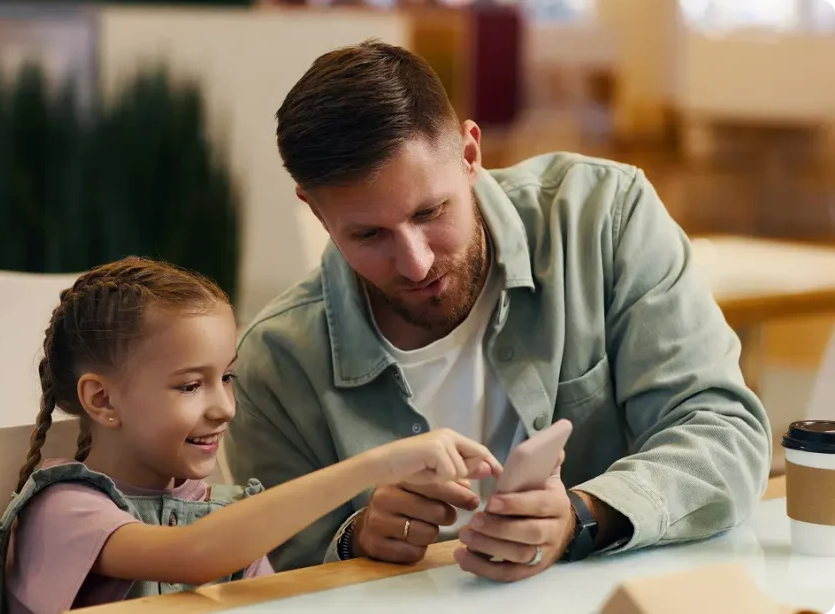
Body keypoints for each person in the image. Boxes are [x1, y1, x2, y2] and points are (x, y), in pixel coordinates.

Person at [224, 39, 772, 582]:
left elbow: (724, 432)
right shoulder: (273, 364)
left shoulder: (604, 219)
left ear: (469, 155)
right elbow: (270, 567)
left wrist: (584, 516)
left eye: (429, 211)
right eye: (369, 235)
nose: (415, 264)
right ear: (316, 212)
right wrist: (353, 538)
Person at [0, 256, 501, 613]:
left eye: (226, 377)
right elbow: (193, 554)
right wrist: (377, 464)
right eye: (191, 385)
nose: (225, 407)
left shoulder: (222, 515)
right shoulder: (63, 509)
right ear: (102, 400)